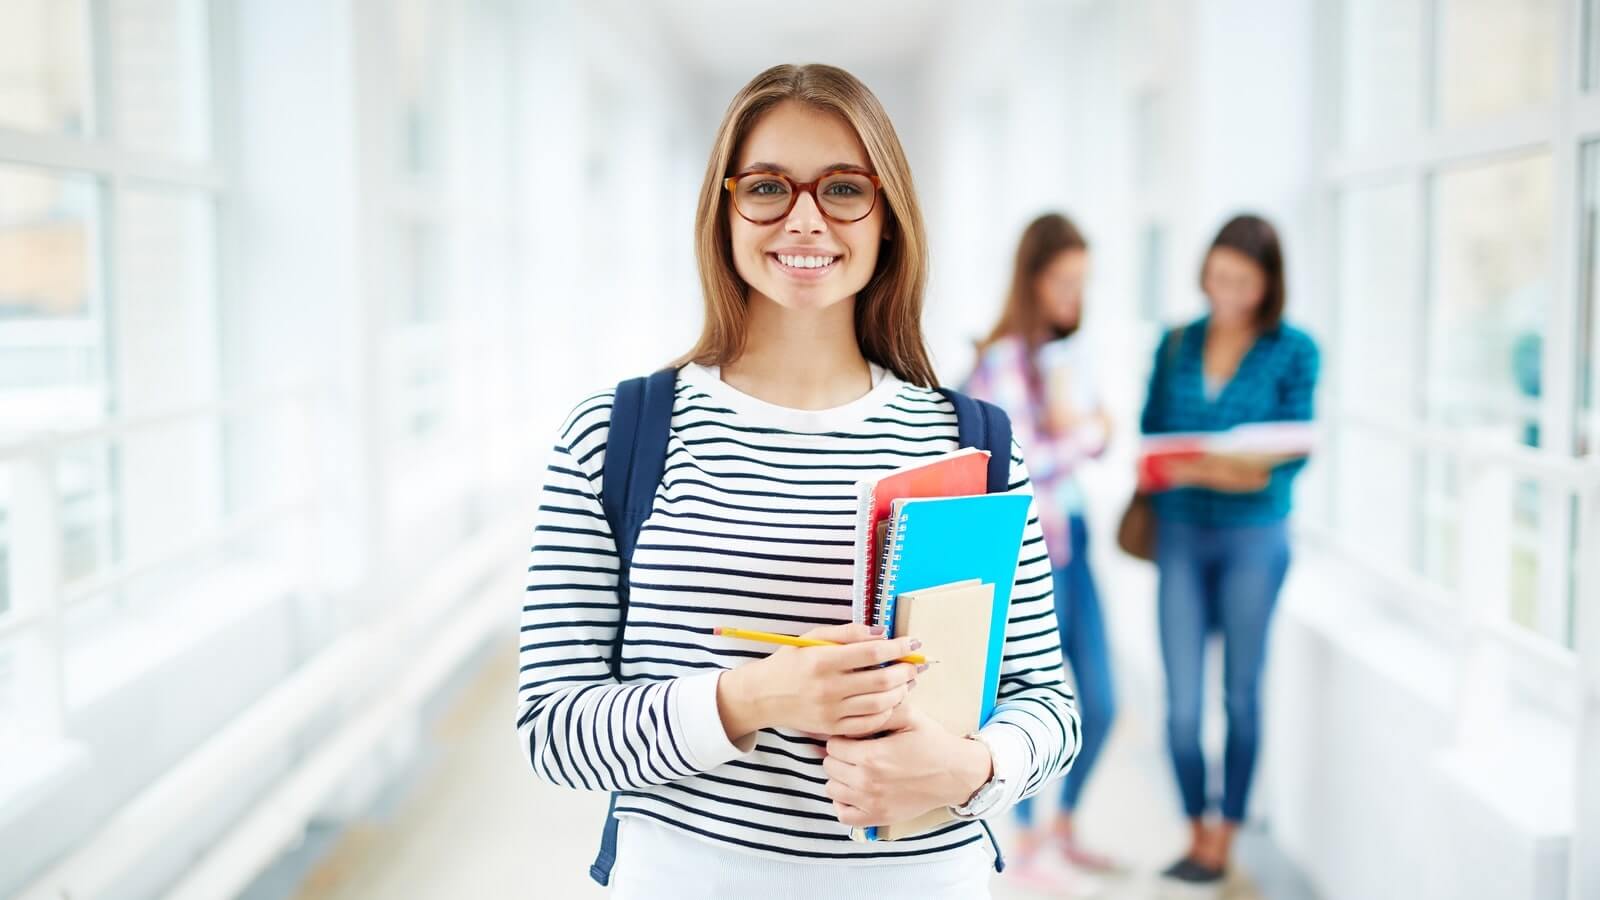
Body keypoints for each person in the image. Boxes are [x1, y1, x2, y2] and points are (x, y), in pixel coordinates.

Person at [516, 64, 1080, 900]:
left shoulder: (973, 443)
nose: (806, 219)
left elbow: (1049, 706)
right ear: (724, 208)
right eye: (770, 186)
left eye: (844, 188)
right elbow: (553, 731)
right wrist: (751, 698)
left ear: (887, 216)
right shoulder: (616, 436)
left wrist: (965, 767)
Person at [1138, 214, 1319, 890]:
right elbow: (1153, 439)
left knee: (1241, 695)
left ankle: (1227, 833)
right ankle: (1195, 830)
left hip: (1255, 540)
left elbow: (1285, 461)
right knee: (1182, 706)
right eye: (1217, 277)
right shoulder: (1176, 342)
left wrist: (1205, 466)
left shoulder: (1295, 349)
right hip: (1180, 536)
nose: (1227, 293)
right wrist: (1223, 467)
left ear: (1268, 283)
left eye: (1242, 281)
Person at [966, 214, 1118, 892]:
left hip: (1074, 540)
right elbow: (1020, 465)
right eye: (1062, 280)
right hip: (1029, 550)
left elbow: (1095, 428)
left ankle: (1064, 827)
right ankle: (1024, 843)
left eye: (1082, 282)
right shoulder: (997, 363)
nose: (1073, 296)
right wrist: (1090, 434)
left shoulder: (1064, 353)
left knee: (1105, 702)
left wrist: (1090, 429)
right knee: (1023, 700)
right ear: (1031, 279)